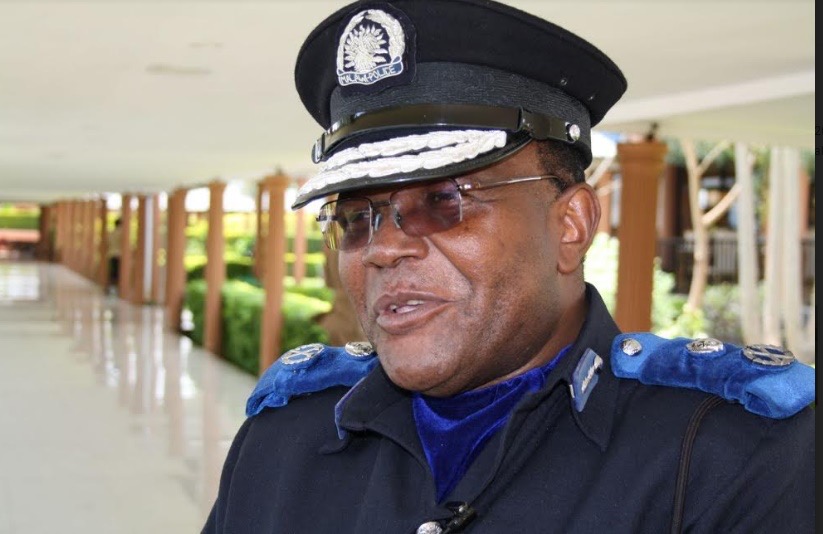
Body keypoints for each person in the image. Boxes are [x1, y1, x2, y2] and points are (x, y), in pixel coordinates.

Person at [203, 1, 815, 532]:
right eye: (356, 219)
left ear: (570, 226)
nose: (383, 249)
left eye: (442, 201)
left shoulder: (733, 453)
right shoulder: (282, 440)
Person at [106, 217, 122, 295]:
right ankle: (116, 289)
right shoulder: (122, 233)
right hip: (118, 255)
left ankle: (111, 289)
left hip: (111, 254)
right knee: (117, 273)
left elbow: (108, 243)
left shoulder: (111, 233)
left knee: (112, 273)